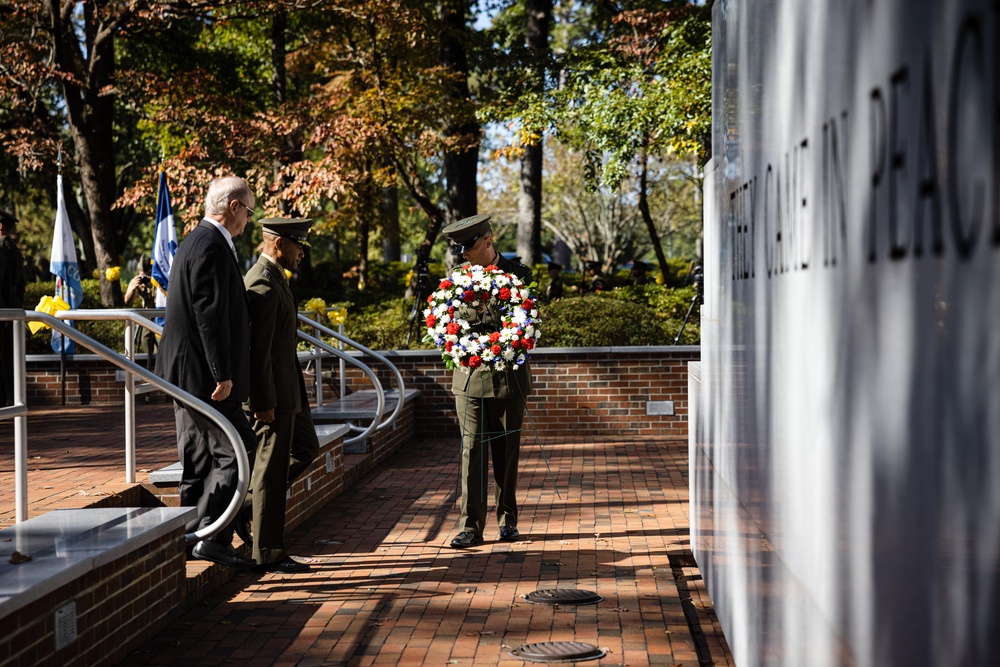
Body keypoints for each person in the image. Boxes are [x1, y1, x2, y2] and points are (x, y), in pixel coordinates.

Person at [155, 176, 257, 568]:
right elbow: (208, 314)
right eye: (248, 211)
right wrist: (222, 373)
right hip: (205, 377)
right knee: (237, 450)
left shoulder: (195, 239)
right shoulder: (212, 244)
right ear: (233, 207)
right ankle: (211, 537)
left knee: (198, 457)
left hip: (186, 373)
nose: (248, 220)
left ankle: (190, 534)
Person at [441, 214, 533, 548]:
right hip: (468, 378)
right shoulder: (456, 279)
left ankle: (507, 520)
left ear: (488, 241)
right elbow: (447, 322)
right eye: (460, 247)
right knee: (472, 450)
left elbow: (523, 326)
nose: (464, 252)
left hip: (508, 378)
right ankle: (470, 526)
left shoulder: (518, 276)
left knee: (507, 452)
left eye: (469, 245)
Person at [241, 218, 320, 574]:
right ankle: (268, 551)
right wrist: (262, 401)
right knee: (270, 472)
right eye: (297, 246)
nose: (302, 253)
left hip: (290, 391)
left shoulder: (277, 279)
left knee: (307, 449)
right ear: (278, 244)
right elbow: (256, 352)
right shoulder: (261, 281)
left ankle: (244, 505)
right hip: (271, 396)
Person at [0, 210, 25, 407]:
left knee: (4, 357)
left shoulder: (1, 247)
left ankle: (6, 399)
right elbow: (21, 283)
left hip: (3, 310)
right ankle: (12, 397)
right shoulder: (14, 248)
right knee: (9, 355)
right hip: (13, 308)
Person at [124, 254, 158, 369]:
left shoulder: (157, 280)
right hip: (146, 317)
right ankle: (150, 369)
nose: (144, 277)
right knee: (145, 340)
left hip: (159, 316)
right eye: (141, 274)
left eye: (147, 274)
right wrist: (133, 288)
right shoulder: (136, 281)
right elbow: (127, 300)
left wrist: (152, 284)